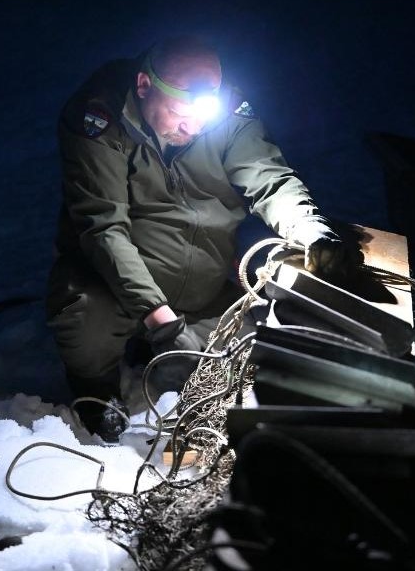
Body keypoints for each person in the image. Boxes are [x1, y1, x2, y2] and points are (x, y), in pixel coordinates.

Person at [48, 35, 361, 443]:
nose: (193, 127)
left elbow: (268, 177)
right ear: (144, 86)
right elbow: (104, 228)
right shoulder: (100, 117)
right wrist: (156, 315)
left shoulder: (226, 109)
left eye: (203, 115)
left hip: (201, 278)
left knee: (237, 370)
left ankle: (167, 344)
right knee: (84, 321)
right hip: (115, 281)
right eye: (180, 112)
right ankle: (97, 392)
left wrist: (310, 229)